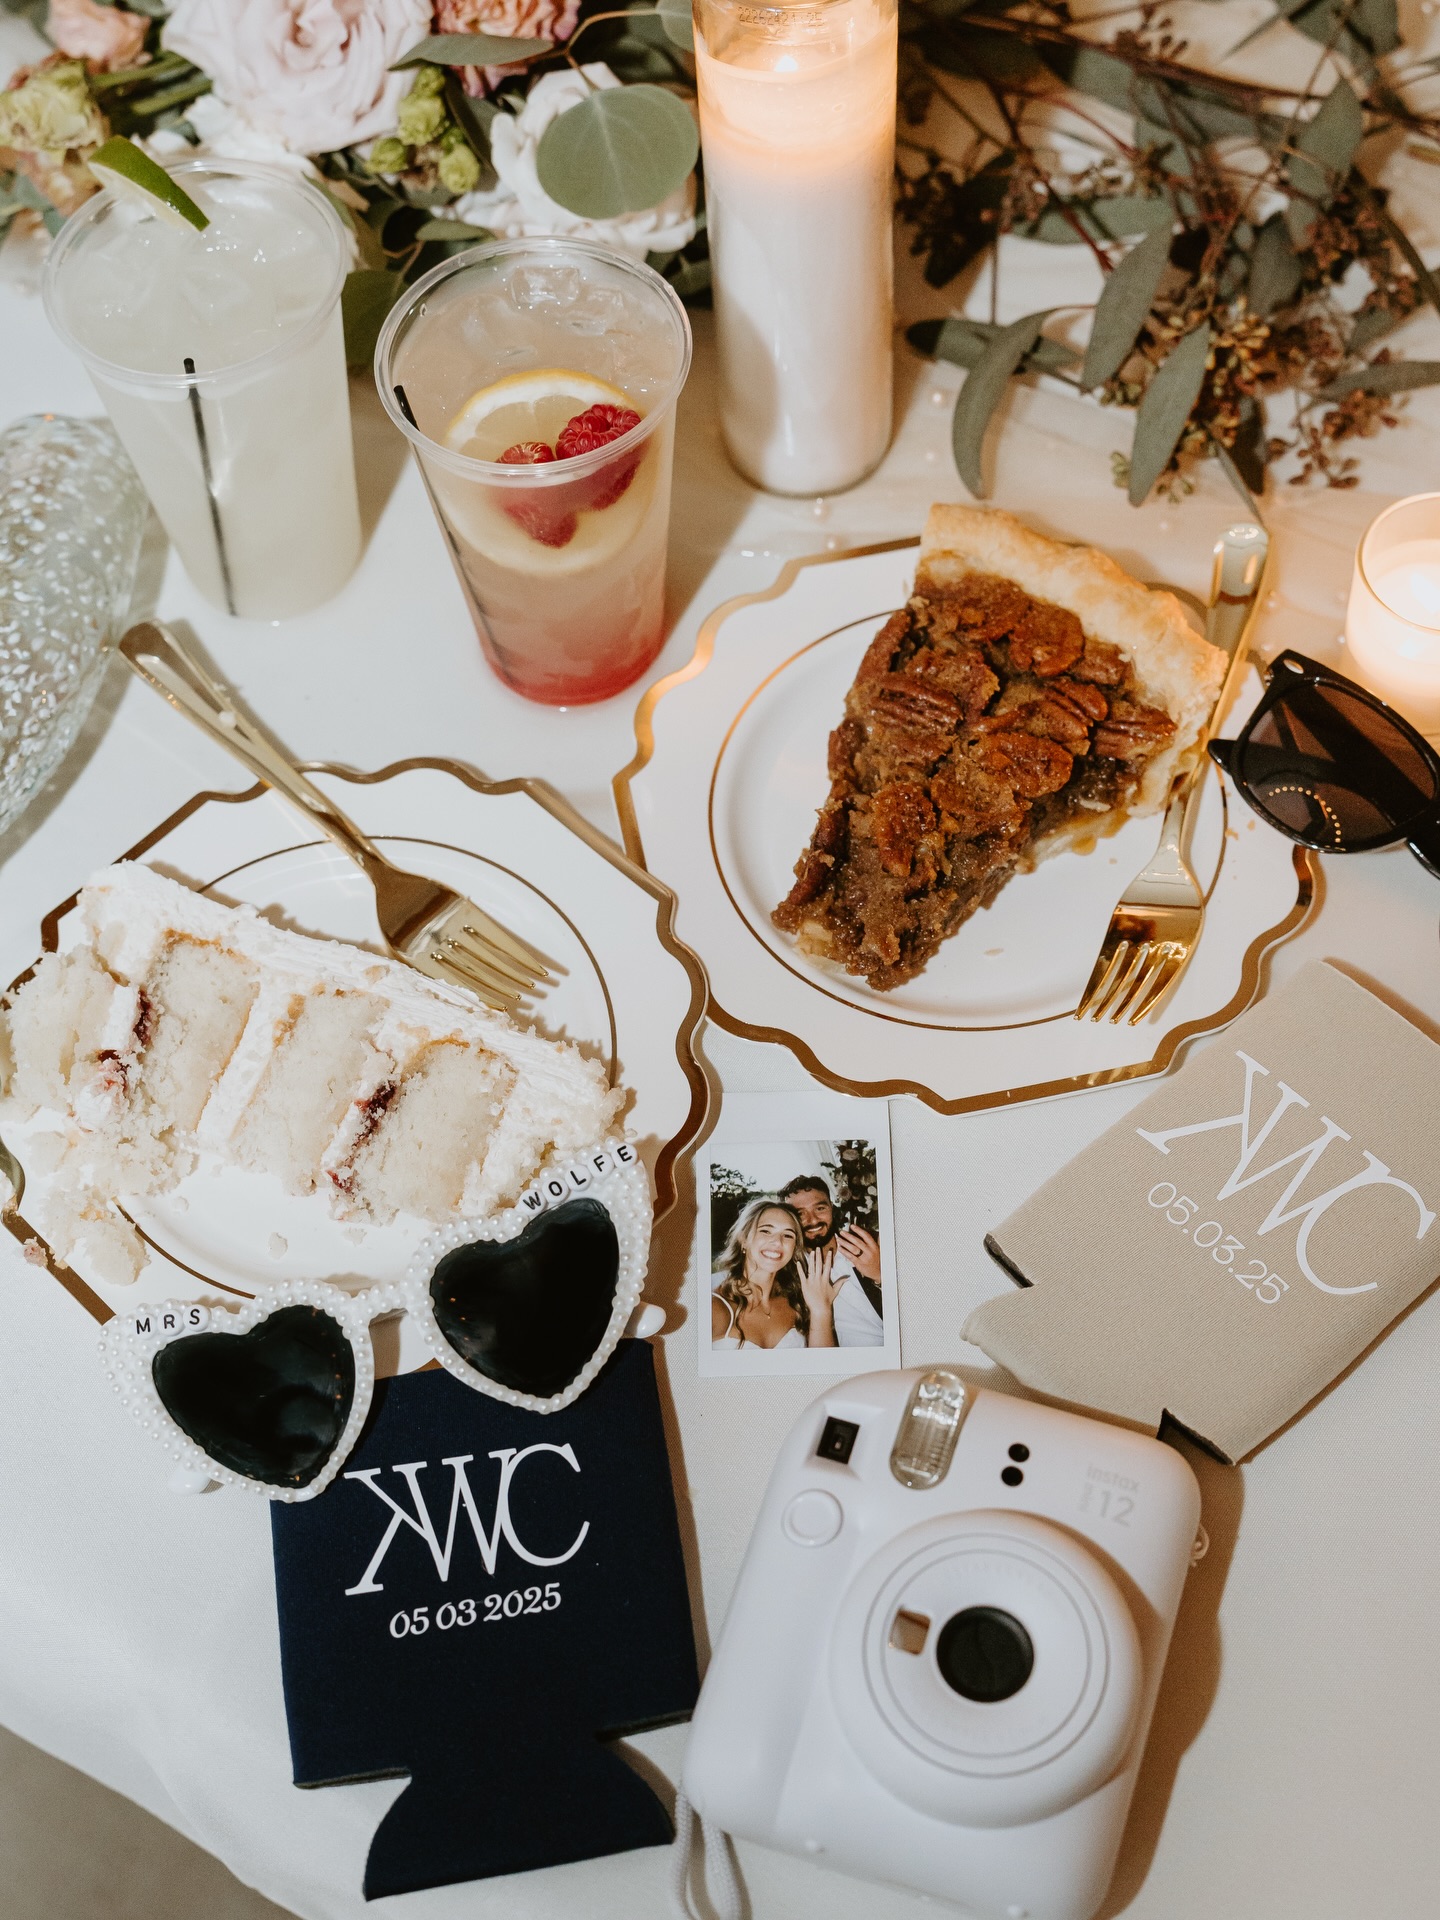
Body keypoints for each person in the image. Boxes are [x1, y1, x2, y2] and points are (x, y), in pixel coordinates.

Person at [711, 1198, 843, 1350]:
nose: (778, 1242)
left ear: (794, 1248)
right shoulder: (715, 1310)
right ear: (744, 1240)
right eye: (766, 1231)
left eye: (788, 1235)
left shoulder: (799, 1303)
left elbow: (823, 1367)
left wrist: (821, 1310)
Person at [778, 1174, 884, 1348]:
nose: (812, 1220)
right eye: (800, 1214)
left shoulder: (870, 1244)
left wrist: (880, 1275)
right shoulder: (788, 1270)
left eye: (820, 1209)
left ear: (832, 1209)